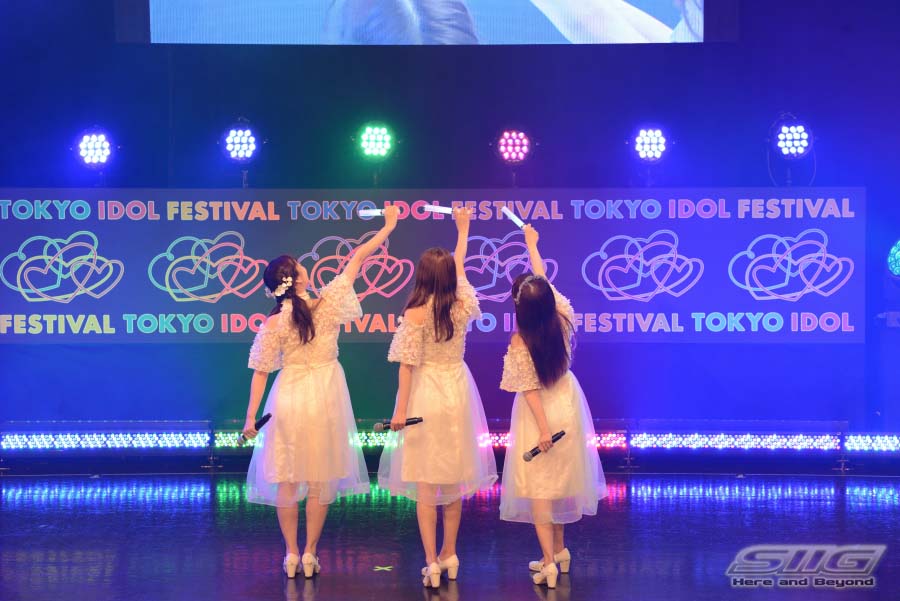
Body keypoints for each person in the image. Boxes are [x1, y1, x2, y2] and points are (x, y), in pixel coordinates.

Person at [242, 206, 400, 578]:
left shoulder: (273, 323)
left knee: (287, 478)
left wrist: (250, 417)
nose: (304, 268)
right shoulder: (326, 305)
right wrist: (388, 226)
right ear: (296, 279)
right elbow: (357, 257)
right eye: (300, 266)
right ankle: (310, 553)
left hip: (289, 397)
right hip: (325, 396)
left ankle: (291, 554)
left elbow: (260, 373)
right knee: (318, 479)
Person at [377, 207, 498, 587]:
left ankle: (431, 560)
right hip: (457, 392)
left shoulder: (415, 313)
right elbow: (459, 271)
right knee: (453, 479)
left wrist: (400, 412)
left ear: (422, 276)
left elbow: (406, 366)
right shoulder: (463, 305)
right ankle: (450, 553)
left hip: (426, 396)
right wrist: (463, 231)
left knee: (427, 485)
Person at [498, 224, 608, 589]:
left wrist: (543, 430)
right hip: (567, 402)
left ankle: (548, 562)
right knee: (558, 482)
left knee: (540, 490)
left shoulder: (520, 339)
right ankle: (559, 552)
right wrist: (533, 245)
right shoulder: (562, 316)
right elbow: (543, 280)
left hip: (540, 415)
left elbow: (529, 390)